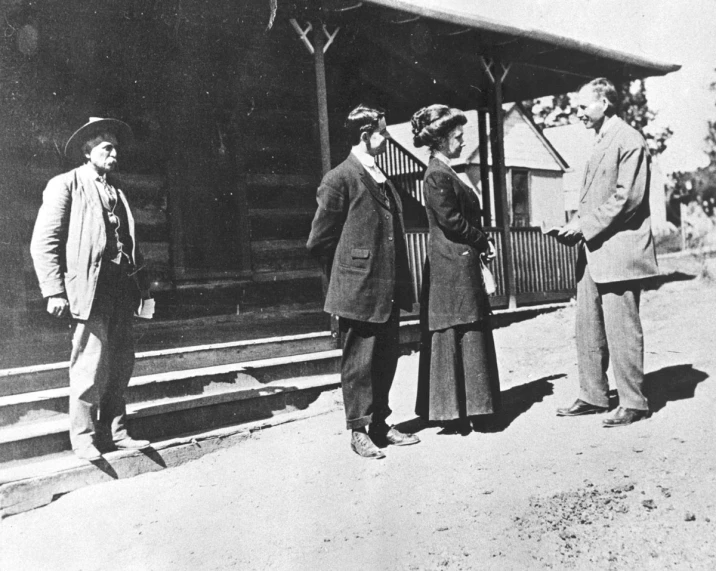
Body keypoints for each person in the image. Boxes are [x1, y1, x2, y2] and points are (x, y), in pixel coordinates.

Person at [31, 117, 153, 460]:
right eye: (106, 147)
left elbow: (131, 244)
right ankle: (83, 438)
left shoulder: (118, 190)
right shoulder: (65, 184)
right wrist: (53, 290)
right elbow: (45, 241)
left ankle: (115, 431)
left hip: (121, 288)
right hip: (88, 288)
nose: (114, 154)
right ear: (88, 151)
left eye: (116, 148)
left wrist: (144, 290)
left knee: (121, 362)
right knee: (89, 364)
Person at [306, 104, 420, 459]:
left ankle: (381, 425)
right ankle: (358, 430)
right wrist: (348, 275)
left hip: (387, 286)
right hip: (359, 288)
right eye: (383, 133)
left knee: (386, 357)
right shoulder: (339, 178)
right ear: (364, 136)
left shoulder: (381, 176)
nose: (386, 138)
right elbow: (318, 241)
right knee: (359, 362)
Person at [556, 78, 658, 427]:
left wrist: (584, 225)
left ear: (605, 103)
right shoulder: (602, 140)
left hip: (619, 251)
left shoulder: (629, 139)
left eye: (584, 106)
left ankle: (633, 402)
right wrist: (576, 223)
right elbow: (599, 198)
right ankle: (593, 395)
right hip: (594, 250)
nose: (578, 112)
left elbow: (627, 199)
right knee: (588, 325)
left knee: (621, 329)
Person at [411, 105, 501, 434]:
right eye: (459, 137)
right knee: (459, 329)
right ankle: (458, 411)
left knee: (466, 328)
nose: (463, 142)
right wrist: (482, 240)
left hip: (458, 262)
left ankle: (471, 408)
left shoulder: (447, 170)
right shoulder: (436, 174)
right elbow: (451, 221)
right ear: (444, 140)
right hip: (451, 265)